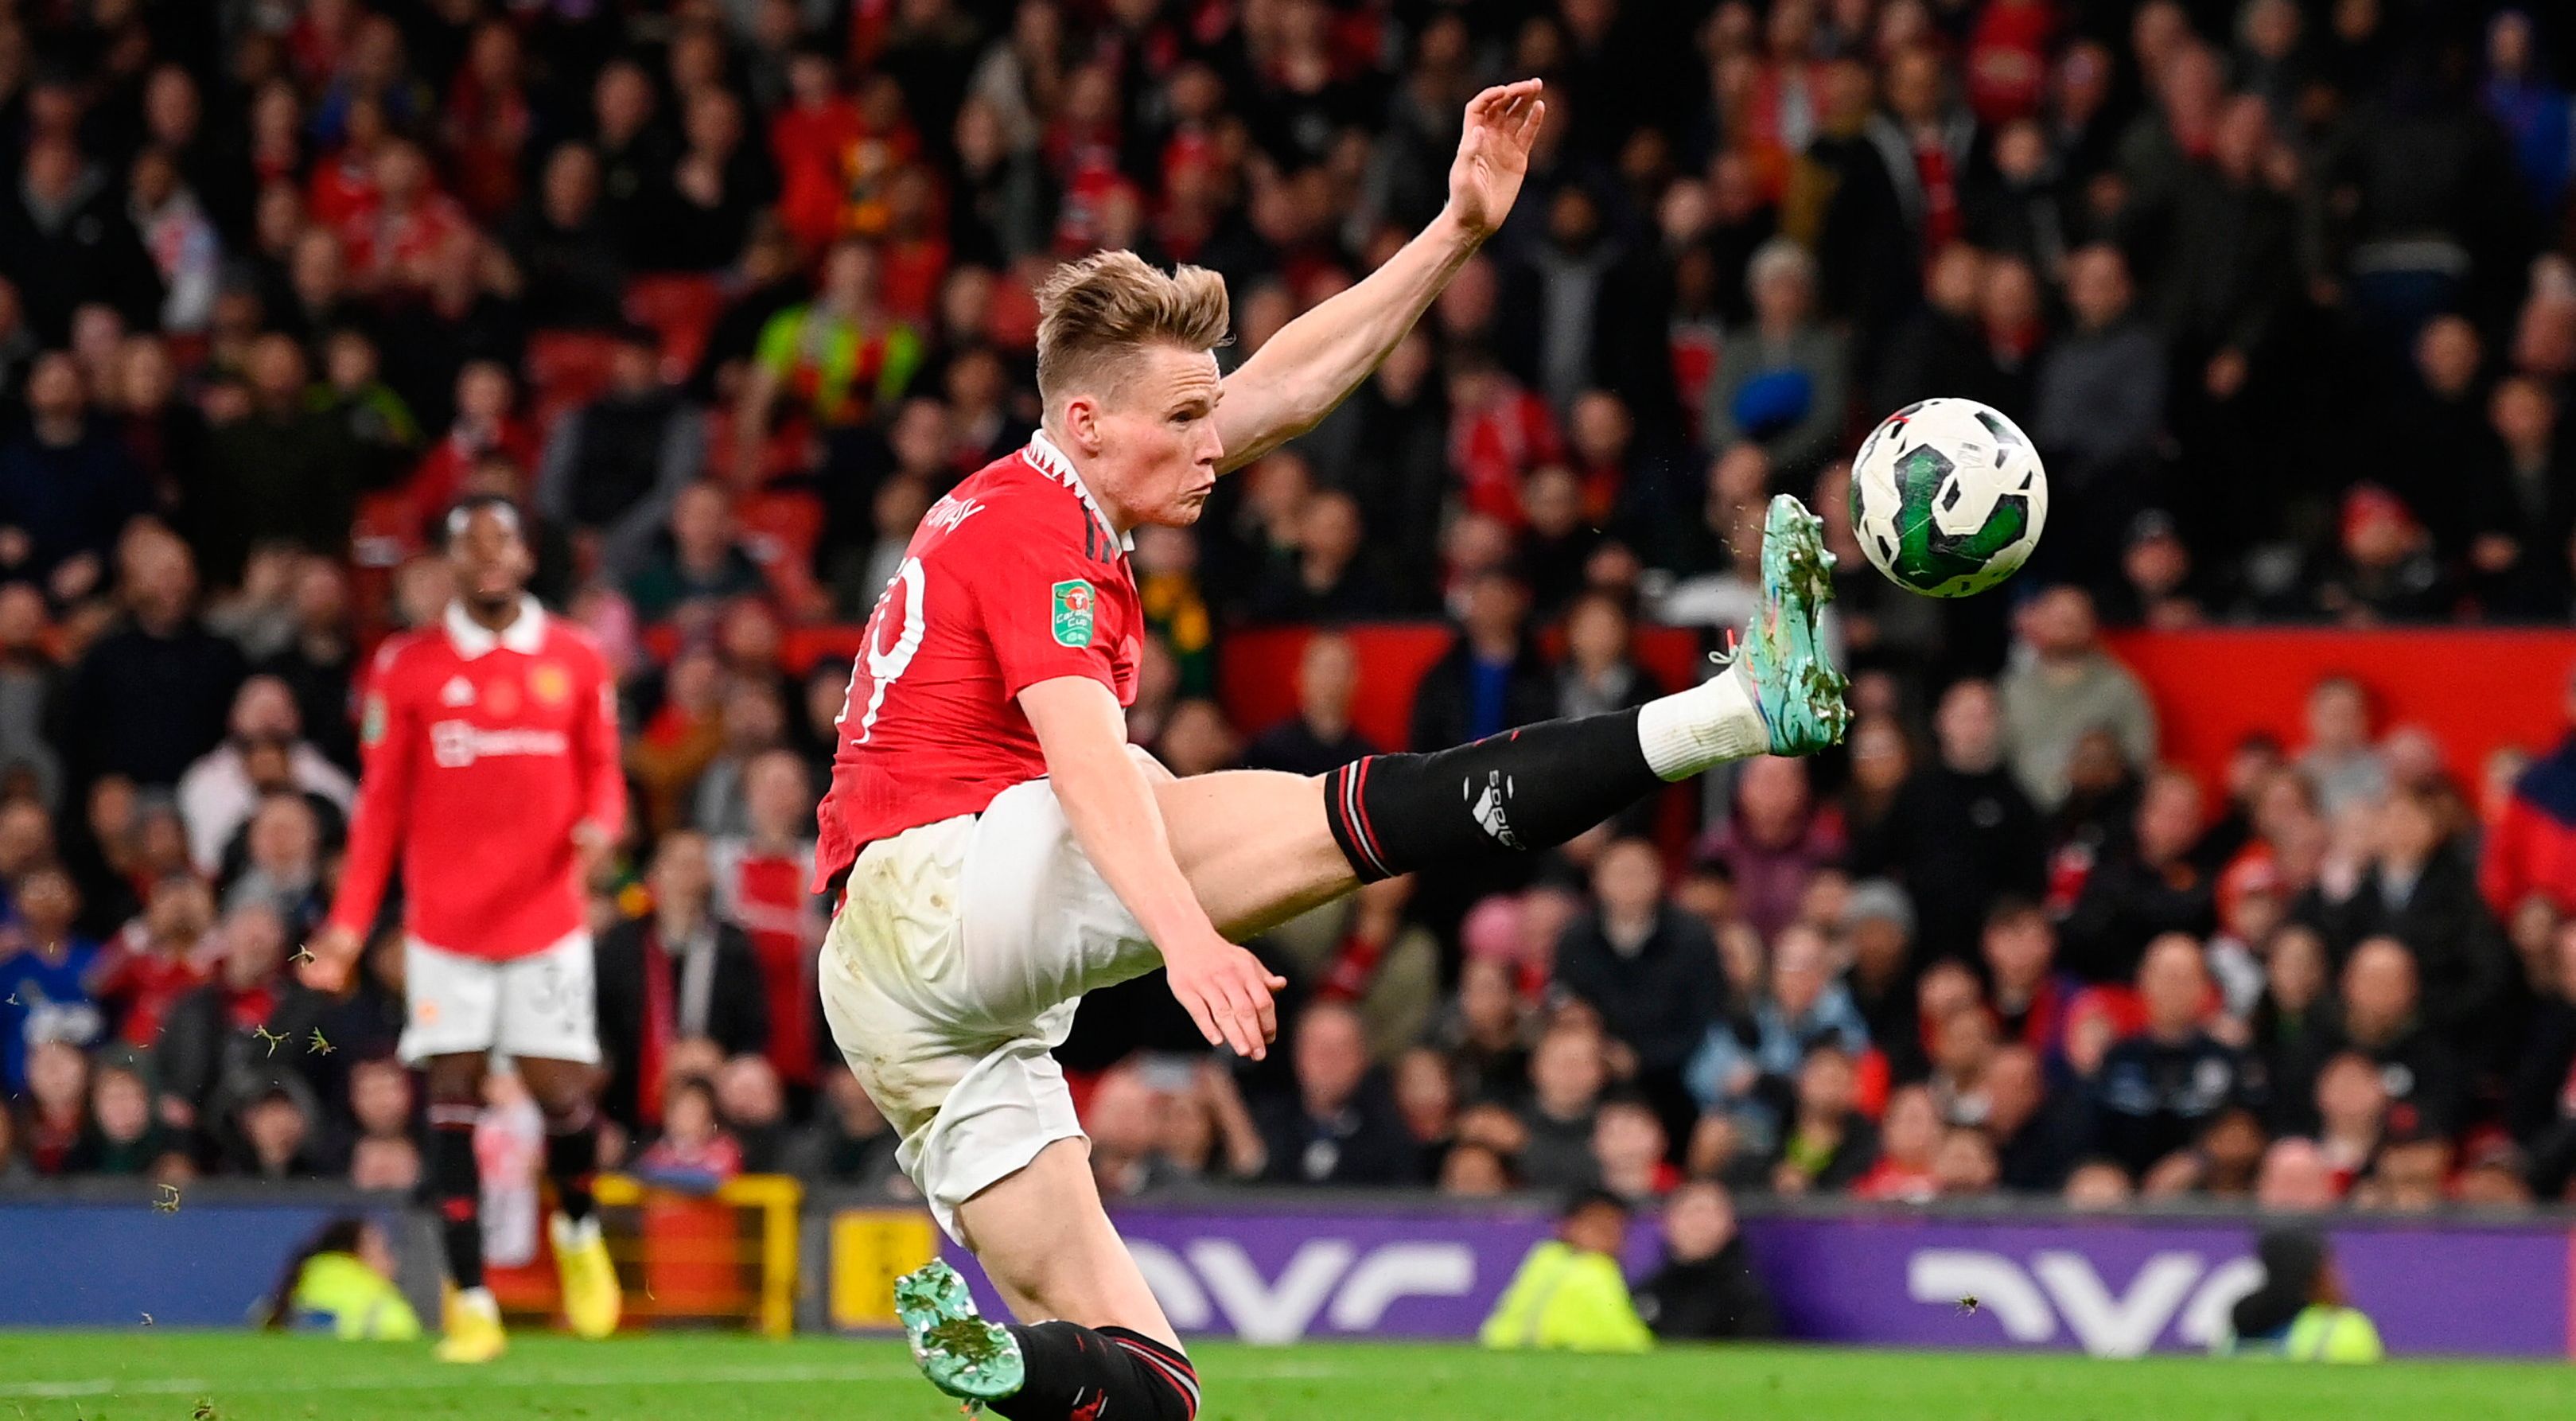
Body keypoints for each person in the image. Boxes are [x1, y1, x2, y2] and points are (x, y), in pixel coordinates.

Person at [826, 81, 1848, 1421]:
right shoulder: (1038, 533)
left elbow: (1284, 391)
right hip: (942, 889)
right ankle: (1737, 712)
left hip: (898, 1004)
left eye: (1205, 414)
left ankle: (1019, 1370)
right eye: (1183, 420)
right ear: (1083, 423)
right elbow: (1077, 753)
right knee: (1267, 812)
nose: (1214, 443)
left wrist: (1454, 229)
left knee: (1147, 1386)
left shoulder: (1055, 487)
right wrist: (1184, 936)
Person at [296, 497, 625, 1363]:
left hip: (545, 917)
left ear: (525, 555)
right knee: (450, 1100)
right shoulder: (406, 666)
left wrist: (599, 830)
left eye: (503, 542)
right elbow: (378, 810)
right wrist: (347, 927)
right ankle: (471, 1301)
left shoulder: (577, 657)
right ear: (449, 560)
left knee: (561, 1095)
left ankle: (582, 1232)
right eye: (471, 545)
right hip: (445, 929)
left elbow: (606, 778)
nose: (488, 558)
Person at [1478, 1189, 1655, 1353]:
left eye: (1614, 1229)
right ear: (1567, 1226)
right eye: (1597, 1226)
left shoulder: (1544, 1256)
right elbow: (1631, 1344)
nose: (1606, 1237)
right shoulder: (1594, 1271)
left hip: (1502, 1355)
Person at [1633, 1179, 1777, 1340]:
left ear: (1731, 1225)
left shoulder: (1746, 1298)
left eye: (1712, 1214)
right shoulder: (1647, 1291)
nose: (1701, 1224)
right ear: (1666, 1222)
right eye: (1692, 1212)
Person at [2214, 1227, 2384, 1362]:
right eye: (2329, 1268)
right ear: (2314, 1277)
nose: (2340, 1277)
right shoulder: (2346, 1327)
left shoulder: (2234, 1337)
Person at [261, 1216, 422, 1340]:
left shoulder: (283, 1299)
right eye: (383, 1249)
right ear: (355, 1255)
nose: (393, 1259)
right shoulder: (387, 1308)